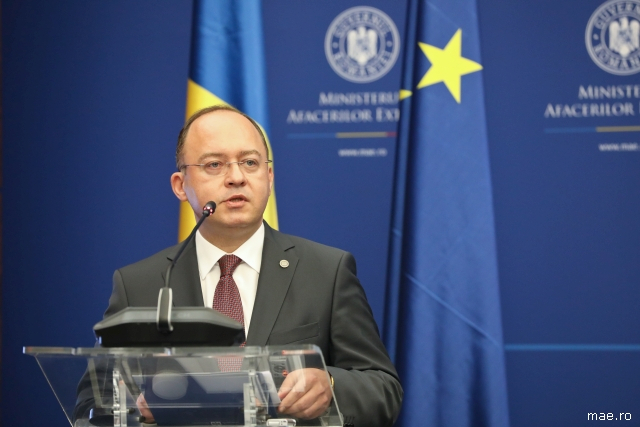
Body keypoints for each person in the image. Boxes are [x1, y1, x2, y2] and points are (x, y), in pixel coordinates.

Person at [104, 106, 402, 427]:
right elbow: (96, 401)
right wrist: (134, 411)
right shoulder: (141, 284)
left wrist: (329, 385)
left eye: (250, 163)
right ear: (180, 184)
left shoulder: (327, 272)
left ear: (269, 177)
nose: (236, 177)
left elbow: (383, 389)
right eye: (214, 164)